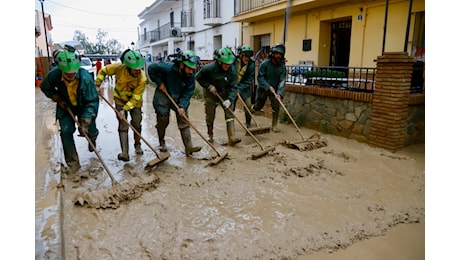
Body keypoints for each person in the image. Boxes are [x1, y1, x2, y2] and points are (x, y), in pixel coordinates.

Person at [40, 45, 99, 174]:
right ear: (61, 69)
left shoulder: (86, 78)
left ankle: (92, 138)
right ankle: (73, 164)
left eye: (74, 72)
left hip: (84, 105)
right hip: (65, 105)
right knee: (66, 131)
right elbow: (45, 87)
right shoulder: (53, 76)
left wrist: (87, 118)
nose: (71, 75)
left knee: (90, 129)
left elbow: (92, 101)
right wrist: (55, 96)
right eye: (68, 73)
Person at [95, 49, 147, 161]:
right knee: (123, 124)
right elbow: (103, 71)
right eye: (135, 69)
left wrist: (125, 109)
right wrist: (97, 84)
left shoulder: (142, 78)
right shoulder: (118, 68)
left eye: (140, 68)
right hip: (119, 100)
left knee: (136, 123)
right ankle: (124, 152)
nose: (138, 71)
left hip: (135, 102)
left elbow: (136, 97)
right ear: (127, 66)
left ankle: (137, 145)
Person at [148, 50, 202, 156]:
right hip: (163, 94)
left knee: (184, 119)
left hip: (179, 97)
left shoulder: (190, 77)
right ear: (182, 64)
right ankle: (161, 141)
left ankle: (188, 147)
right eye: (189, 68)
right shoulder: (168, 68)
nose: (191, 71)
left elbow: (188, 93)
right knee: (163, 120)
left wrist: (182, 106)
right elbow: (151, 69)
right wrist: (159, 82)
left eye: (193, 69)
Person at [195, 47, 241, 146]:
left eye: (229, 64)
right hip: (211, 93)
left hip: (225, 93)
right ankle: (210, 135)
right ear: (219, 62)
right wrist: (208, 86)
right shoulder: (209, 68)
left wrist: (230, 99)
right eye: (226, 64)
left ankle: (231, 137)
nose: (228, 66)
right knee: (210, 115)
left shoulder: (232, 70)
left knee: (229, 113)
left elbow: (234, 87)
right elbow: (198, 77)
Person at [252, 43, 287, 132]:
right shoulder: (265, 64)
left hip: (275, 89)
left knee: (276, 106)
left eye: (280, 54)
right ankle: (250, 114)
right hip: (264, 88)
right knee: (258, 106)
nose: (278, 56)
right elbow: (260, 77)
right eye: (277, 54)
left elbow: (282, 80)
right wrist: (268, 86)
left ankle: (274, 125)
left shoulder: (282, 66)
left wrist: (279, 93)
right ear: (273, 54)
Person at [233, 45, 255, 128]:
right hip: (233, 87)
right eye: (246, 56)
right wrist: (234, 88)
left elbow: (249, 80)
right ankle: (230, 125)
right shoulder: (233, 62)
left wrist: (240, 88)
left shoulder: (251, 65)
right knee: (231, 106)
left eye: (249, 57)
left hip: (244, 88)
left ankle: (248, 124)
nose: (247, 58)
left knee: (248, 105)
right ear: (241, 55)